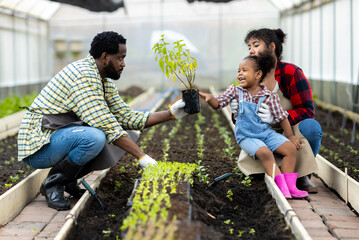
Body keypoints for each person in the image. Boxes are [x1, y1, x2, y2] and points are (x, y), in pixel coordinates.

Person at [17, 31, 189, 211]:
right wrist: (143, 157)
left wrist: (172, 113)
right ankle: (53, 184)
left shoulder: (103, 81)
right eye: (120, 58)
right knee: (95, 137)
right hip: (38, 145)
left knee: (124, 134)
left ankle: (67, 180)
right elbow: (105, 123)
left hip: (61, 136)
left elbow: (127, 117)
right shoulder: (83, 76)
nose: (123, 64)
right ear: (105, 57)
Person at [199, 53, 308, 199]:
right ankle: (281, 186)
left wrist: (290, 136)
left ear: (257, 74)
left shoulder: (269, 96)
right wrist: (210, 98)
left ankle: (290, 186)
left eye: (244, 70)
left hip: (266, 133)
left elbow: (282, 117)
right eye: (239, 71)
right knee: (265, 153)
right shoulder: (235, 91)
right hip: (246, 136)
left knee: (289, 148)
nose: (240, 74)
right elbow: (219, 103)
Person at [230, 28, 322, 193]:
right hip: (261, 133)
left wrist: (278, 117)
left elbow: (307, 110)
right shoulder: (251, 75)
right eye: (249, 47)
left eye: (255, 45)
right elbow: (243, 121)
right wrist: (235, 112)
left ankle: (302, 175)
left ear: (272, 47)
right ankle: (265, 173)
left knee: (311, 127)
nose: (251, 50)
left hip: (289, 129)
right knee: (259, 170)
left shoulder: (290, 73)